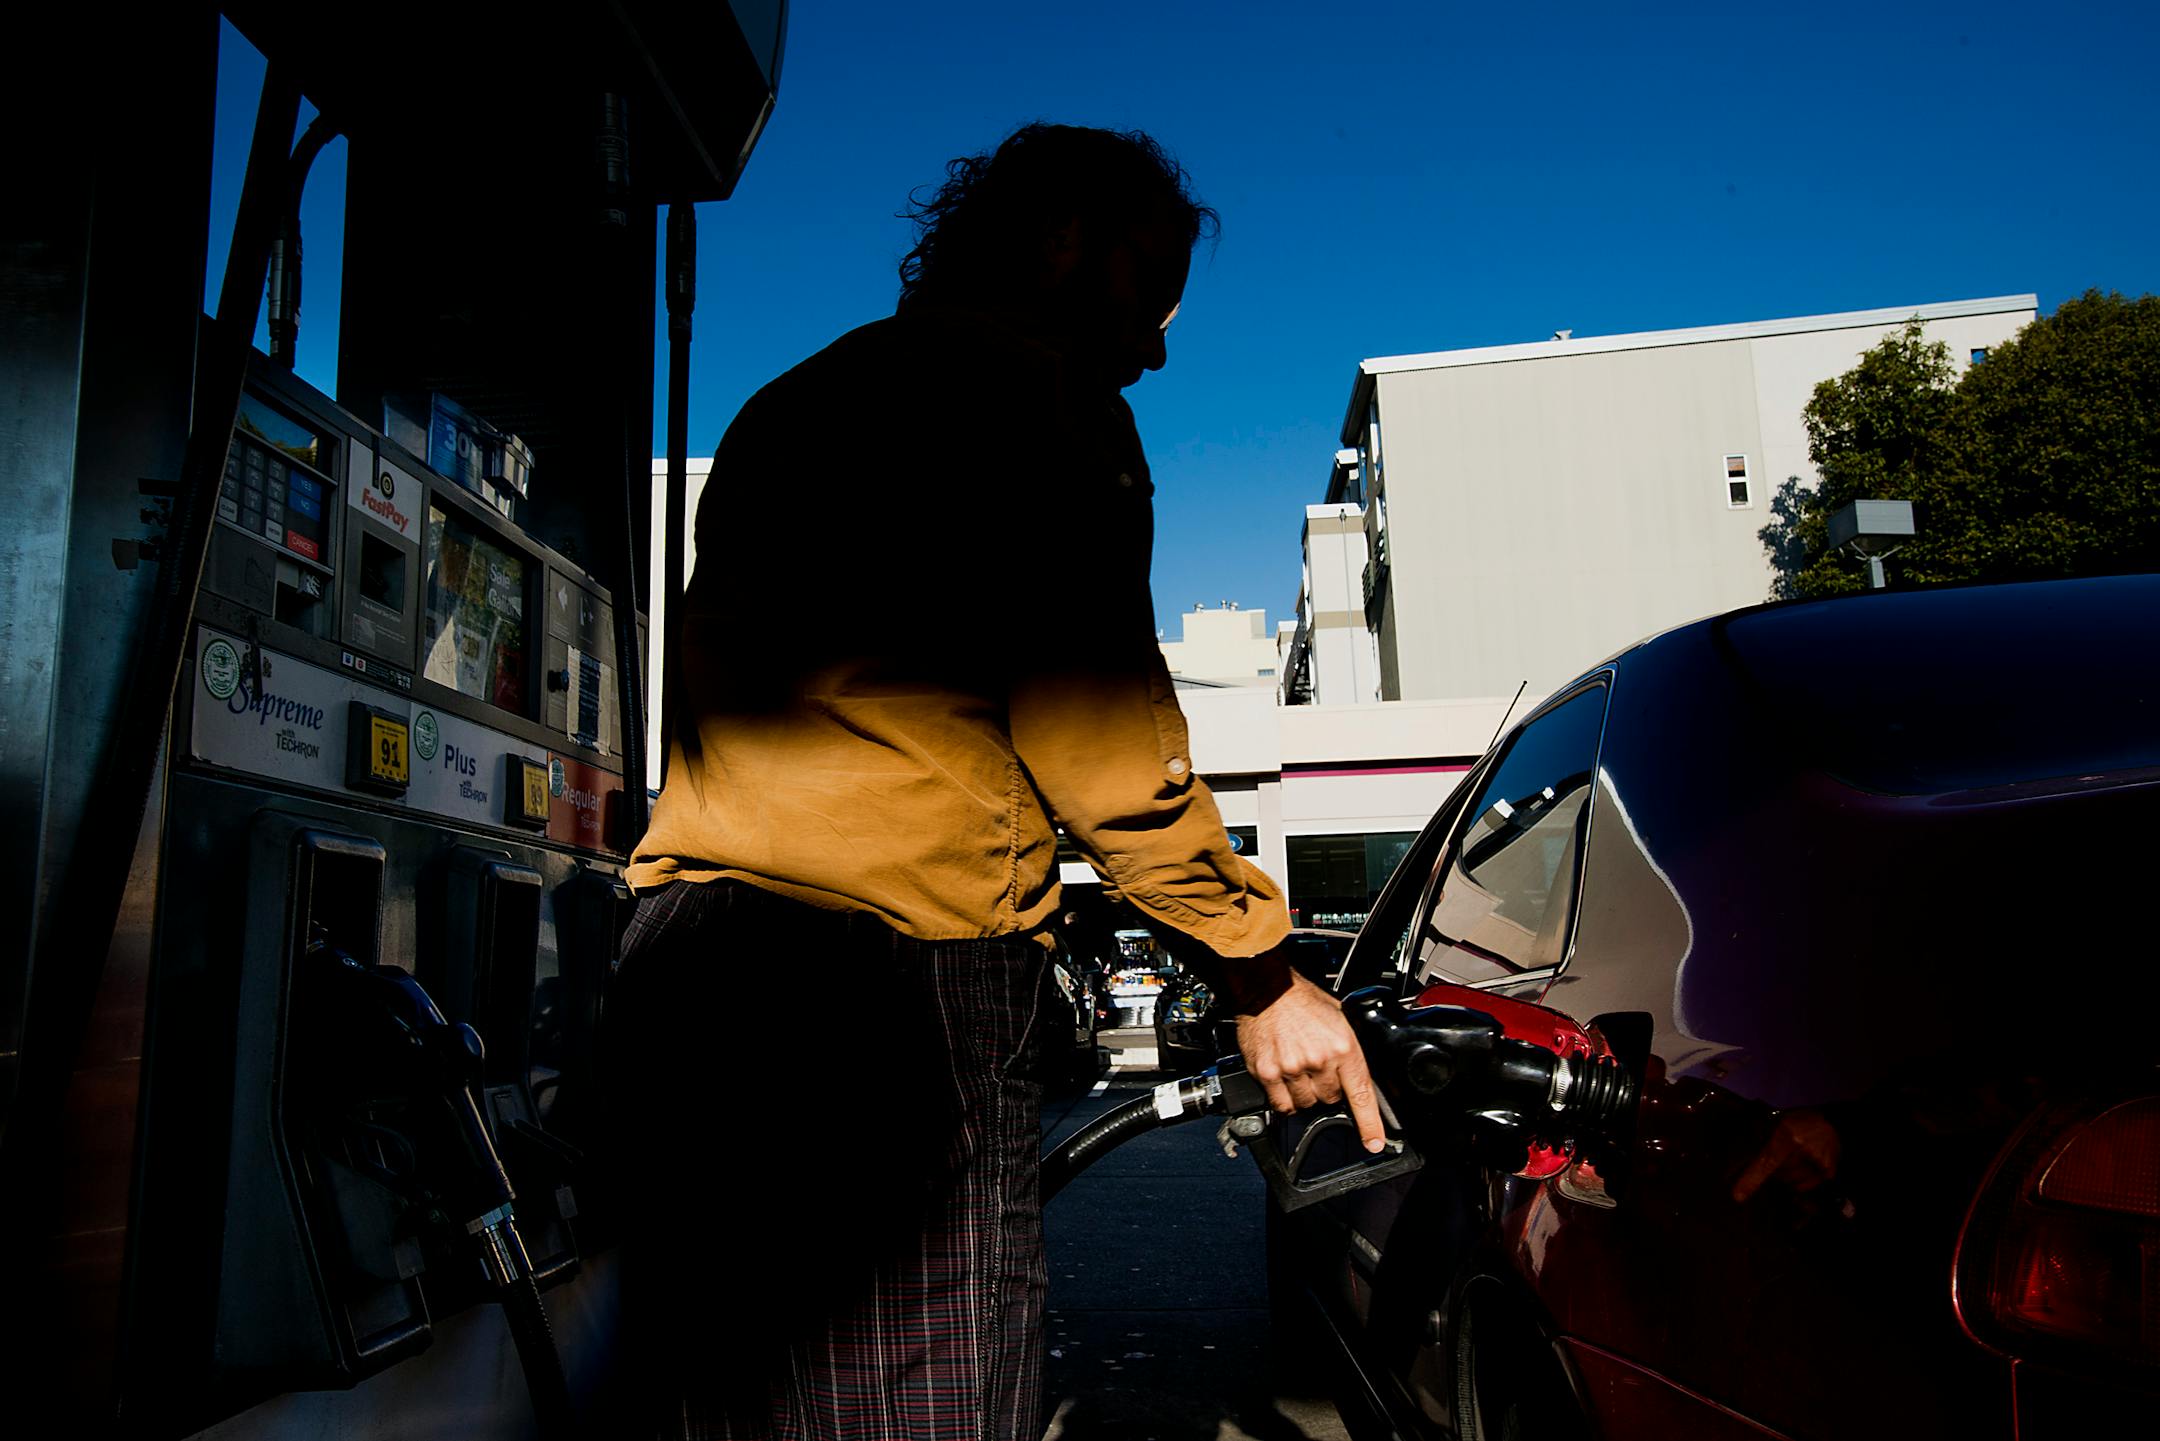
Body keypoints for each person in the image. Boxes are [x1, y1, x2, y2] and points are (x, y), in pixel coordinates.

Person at [604, 122, 1382, 1441]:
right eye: (1150, 288)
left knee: (725, 1403)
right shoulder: (1047, 400)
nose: (1157, 342)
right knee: (924, 1394)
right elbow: (1106, 743)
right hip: (890, 980)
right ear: (1060, 240)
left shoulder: (787, 405)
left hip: (684, 970)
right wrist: (1262, 972)